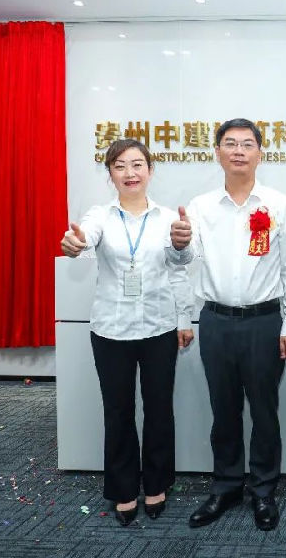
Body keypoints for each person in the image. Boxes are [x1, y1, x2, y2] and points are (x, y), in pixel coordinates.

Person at [168, 118, 286, 531]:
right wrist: (178, 244)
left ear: (260, 153)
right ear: (218, 153)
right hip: (216, 321)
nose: (239, 151)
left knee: (264, 411)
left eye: (248, 144)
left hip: (265, 322)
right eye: (230, 143)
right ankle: (226, 485)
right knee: (223, 410)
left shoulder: (280, 205)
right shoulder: (200, 207)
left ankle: (263, 490)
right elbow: (183, 262)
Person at [60, 139, 194, 527]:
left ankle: (156, 484)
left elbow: (180, 266)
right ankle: (123, 488)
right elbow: (83, 237)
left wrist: (184, 317)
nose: (130, 173)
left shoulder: (168, 217)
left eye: (137, 165)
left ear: (150, 170)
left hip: (158, 327)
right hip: (111, 330)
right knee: (118, 411)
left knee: (158, 409)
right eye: (120, 166)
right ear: (110, 174)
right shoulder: (100, 216)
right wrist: (75, 243)